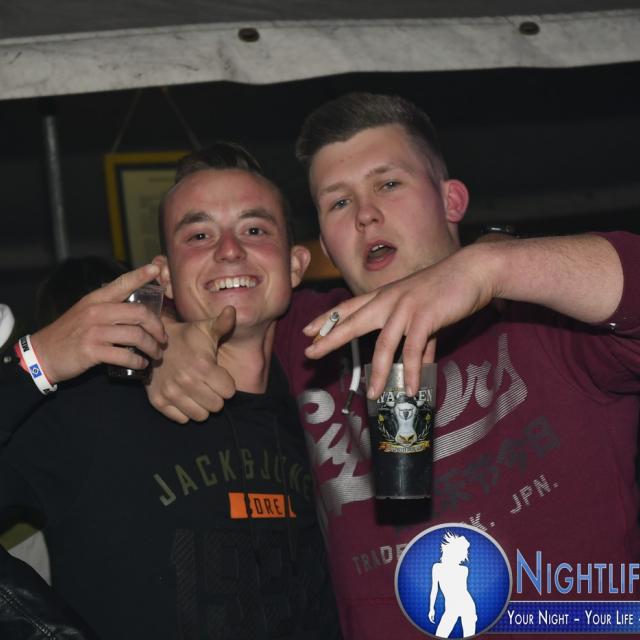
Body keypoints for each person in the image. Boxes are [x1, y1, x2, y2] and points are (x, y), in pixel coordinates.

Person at [147, 93, 640, 640]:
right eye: (338, 202)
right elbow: (217, 293)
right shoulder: (312, 336)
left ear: (451, 200)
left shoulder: (545, 320)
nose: (365, 214)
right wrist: (169, 338)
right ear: (325, 243)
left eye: (388, 184)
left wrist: (491, 267)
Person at [0, 142, 340, 640]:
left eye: (254, 229)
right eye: (199, 235)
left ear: (295, 265)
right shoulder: (94, 410)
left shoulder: (328, 415)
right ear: (166, 278)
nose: (229, 250)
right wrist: (37, 360)